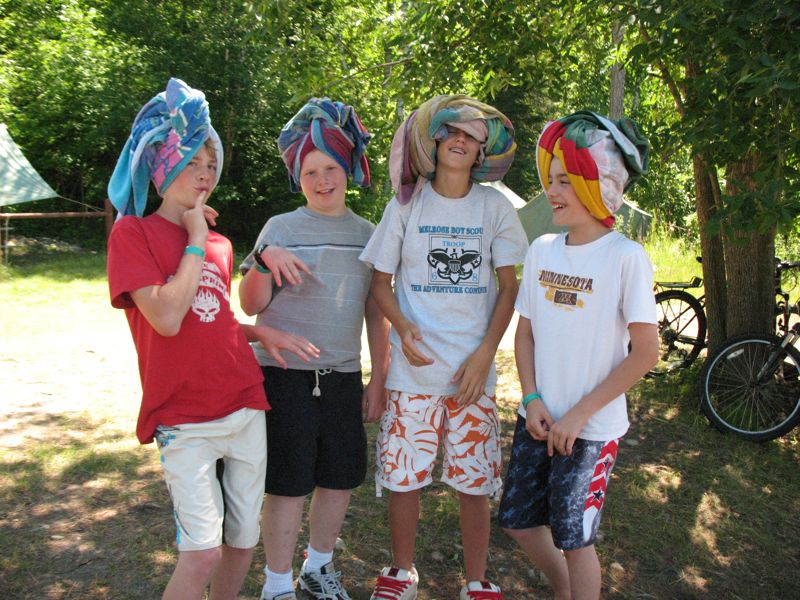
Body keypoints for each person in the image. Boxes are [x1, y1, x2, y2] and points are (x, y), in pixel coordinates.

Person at [106, 78, 318, 600]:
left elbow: (209, 320)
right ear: (162, 167)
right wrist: (195, 239)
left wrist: (256, 331)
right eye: (191, 162)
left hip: (244, 405)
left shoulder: (221, 245)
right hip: (184, 419)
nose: (204, 174)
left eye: (210, 164)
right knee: (202, 553)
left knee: (242, 544)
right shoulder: (133, 234)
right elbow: (166, 318)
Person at [359, 94, 528, 600]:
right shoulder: (406, 204)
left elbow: (509, 288)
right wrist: (403, 327)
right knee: (404, 478)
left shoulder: (495, 207)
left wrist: (485, 354)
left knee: (474, 483)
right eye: (451, 131)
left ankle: (476, 580)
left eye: (471, 136)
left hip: (472, 375)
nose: (460, 140)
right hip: (414, 374)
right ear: (434, 142)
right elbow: (380, 283)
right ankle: (401, 572)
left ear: (481, 152)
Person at [497, 111, 659, 600]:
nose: (552, 190)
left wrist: (579, 415)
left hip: (591, 430)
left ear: (599, 184)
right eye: (550, 179)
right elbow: (525, 335)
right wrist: (531, 399)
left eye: (565, 180)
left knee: (574, 539)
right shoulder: (543, 249)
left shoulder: (626, 257)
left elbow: (646, 353)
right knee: (519, 522)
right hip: (540, 419)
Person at [238, 98, 390, 600]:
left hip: (343, 376)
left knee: (339, 477)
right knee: (287, 482)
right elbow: (250, 304)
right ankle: (277, 583)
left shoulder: (368, 235)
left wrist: (379, 378)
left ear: (348, 170)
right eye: (310, 172)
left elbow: (375, 313)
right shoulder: (280, 229)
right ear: (297, 178)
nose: (322, 180)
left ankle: (318, 568)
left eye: (330, 169)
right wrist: (265, 260)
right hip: (282, 374)